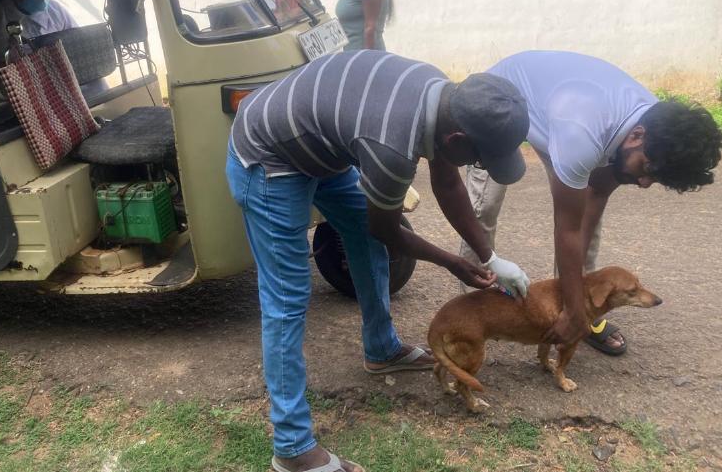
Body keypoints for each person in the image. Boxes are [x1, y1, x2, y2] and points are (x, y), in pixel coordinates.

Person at [227, 50, 532, 472]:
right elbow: (386, 230)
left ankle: (382, 349)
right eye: (480, 160)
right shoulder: (392, 146)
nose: (478, 166)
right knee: (286, 297)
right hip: (269, 155)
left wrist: (491, 257)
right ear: (457, 140)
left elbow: (446, 182)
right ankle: (292, 448)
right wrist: (452, 262)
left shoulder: (444, 96)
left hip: (322, 146)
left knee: (364, 240)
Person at [458, 50, 722, 355]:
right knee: (484, 208)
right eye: (646, 170)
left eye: (656, 179)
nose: (644, 183)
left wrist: (576, 307)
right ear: (636, 136)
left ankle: (580, 308)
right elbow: (568, 229)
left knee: (586, 216)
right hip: (501, 102)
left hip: (559, 113)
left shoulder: (658, 127)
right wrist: (573, 311)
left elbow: (596, 194)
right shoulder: (581, 133)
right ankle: (473, 310)